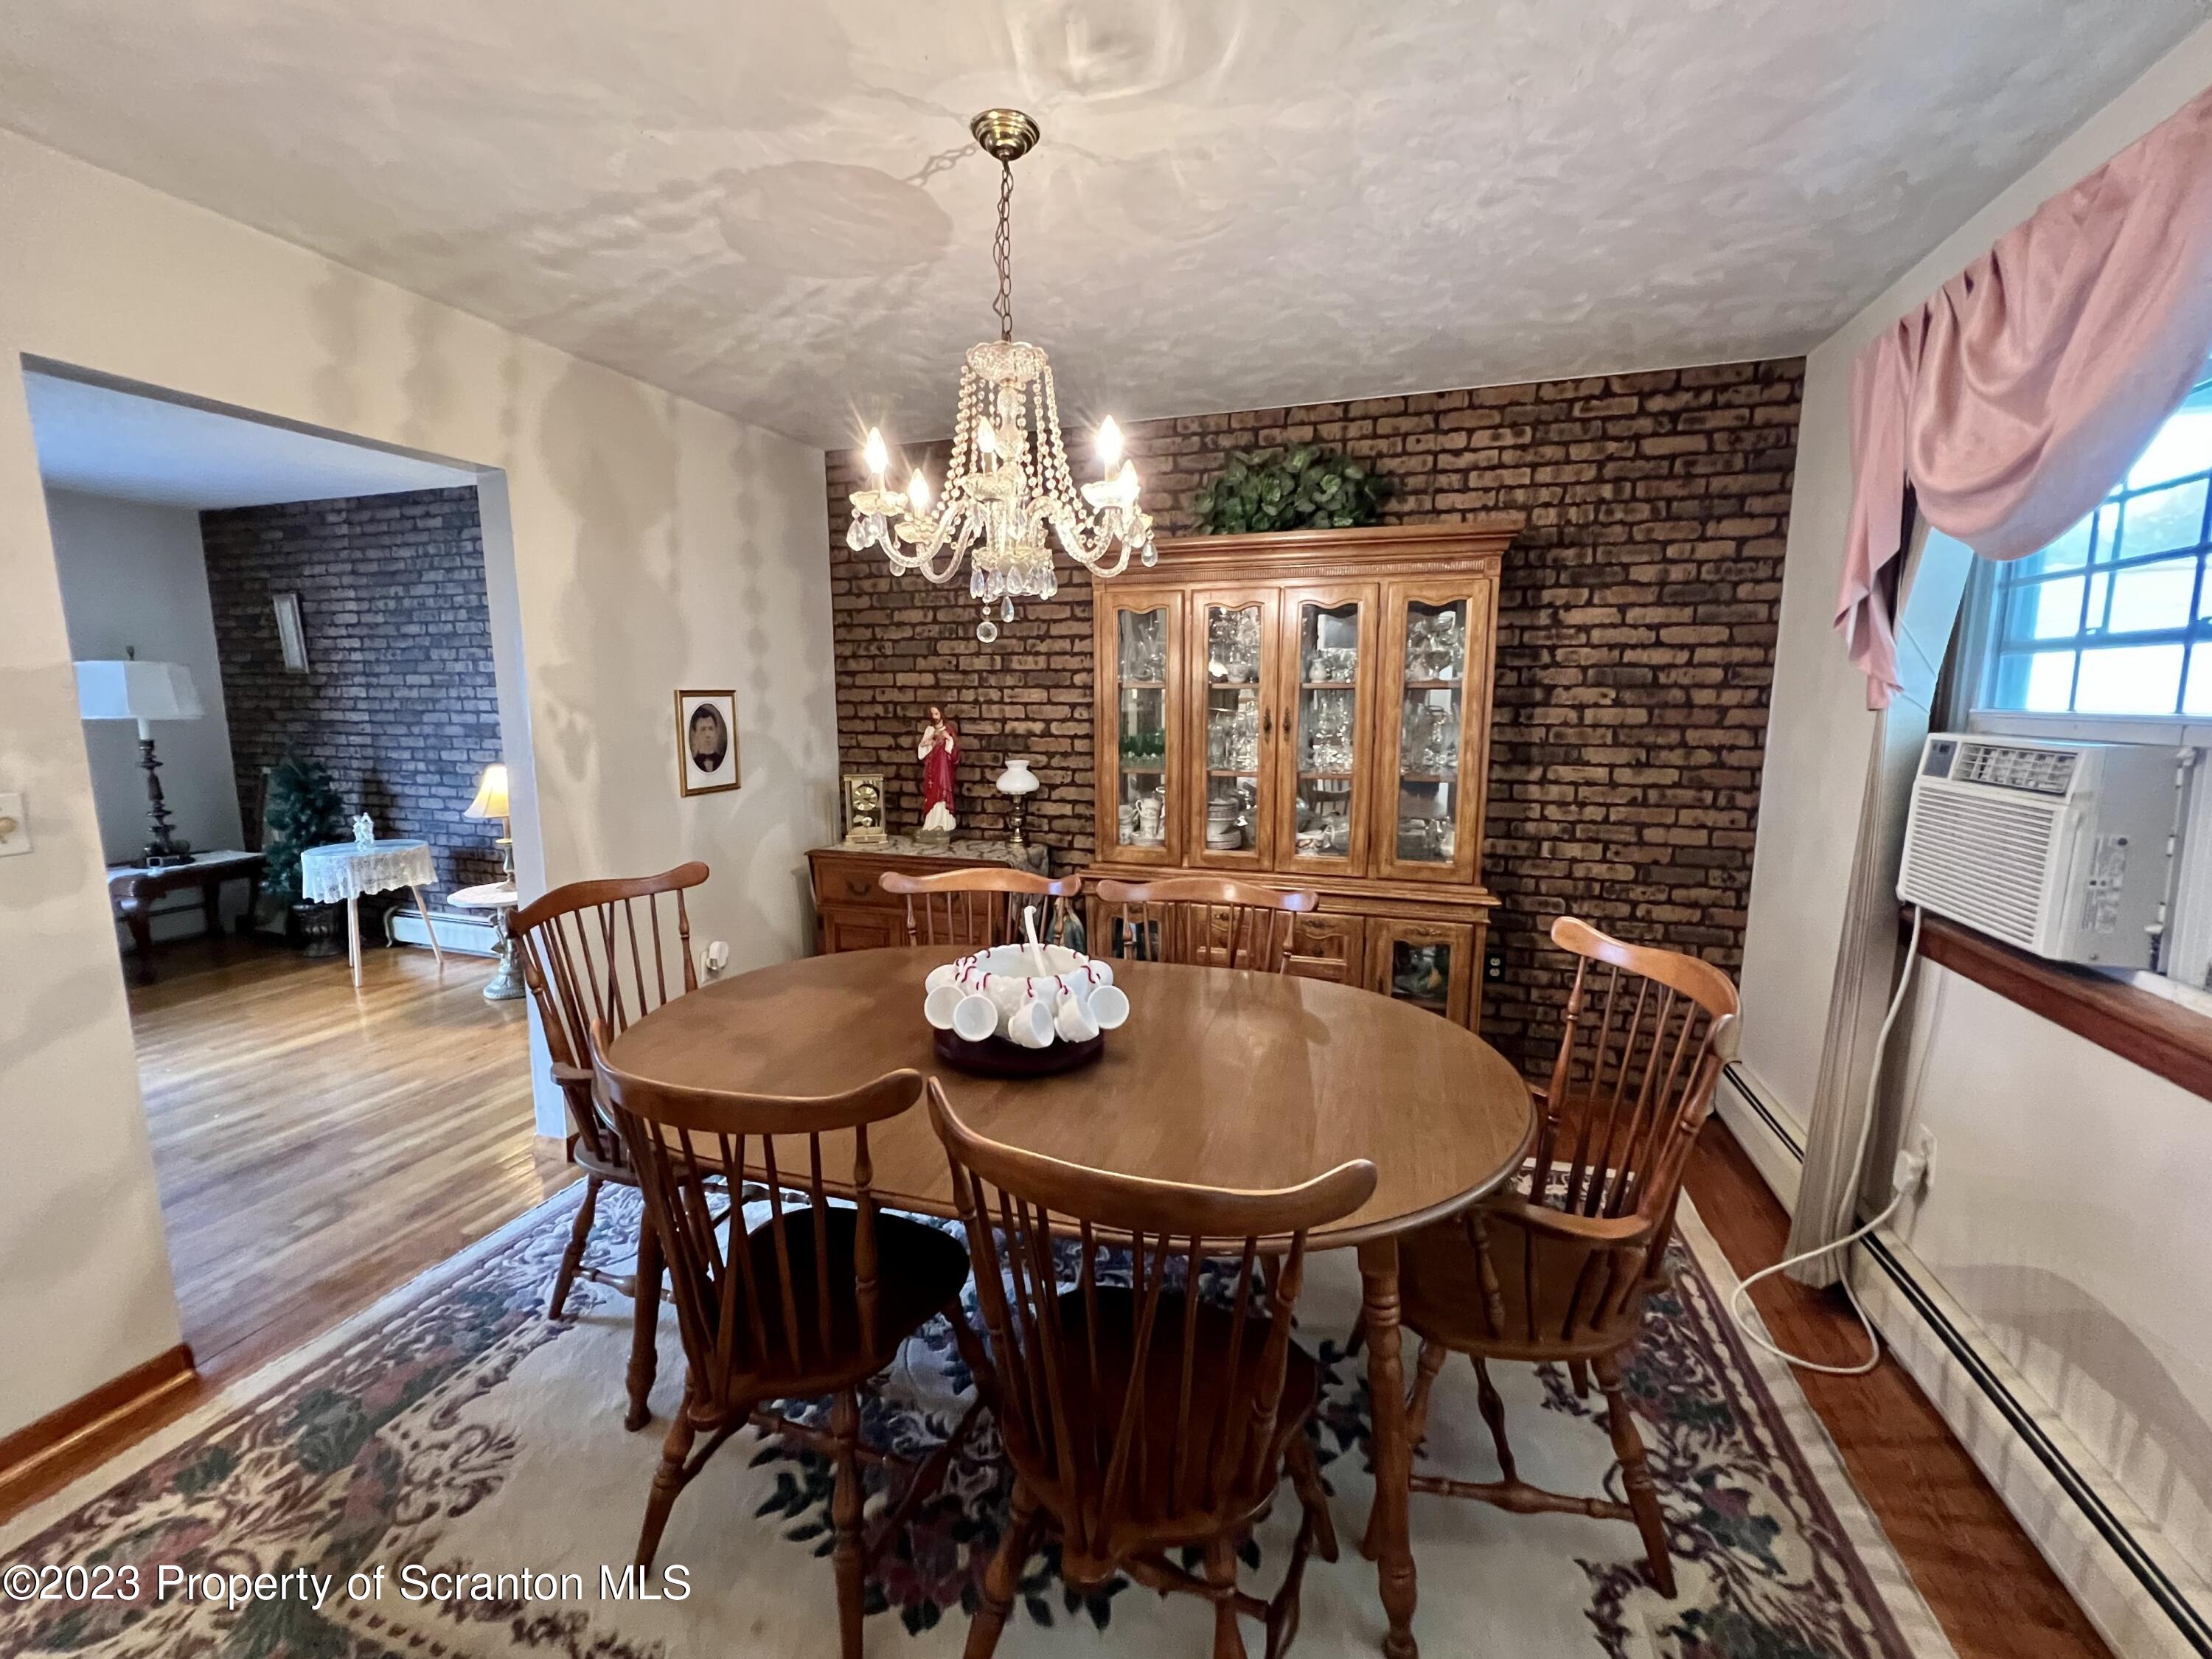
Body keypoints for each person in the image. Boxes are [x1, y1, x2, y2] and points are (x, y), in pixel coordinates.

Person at [917, 706, 958, 831]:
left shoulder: (949, 729)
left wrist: (948, 738)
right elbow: (922, 750)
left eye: (936, 713)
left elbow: (954, 751)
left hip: (944, 767)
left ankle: (944, 823)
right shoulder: (929, 730)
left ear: (942, 714)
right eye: (932, 714)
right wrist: (928, 742)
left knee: (942, 791)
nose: (935, 717)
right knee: (932, 791)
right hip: (932, 767)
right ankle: (931, 823)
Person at [688, 703, 729, 774]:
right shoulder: (690, 765)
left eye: (711, 729)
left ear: (716, 732)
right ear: (695, 734)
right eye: (703, 729)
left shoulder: (725, 761)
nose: (708, 735)